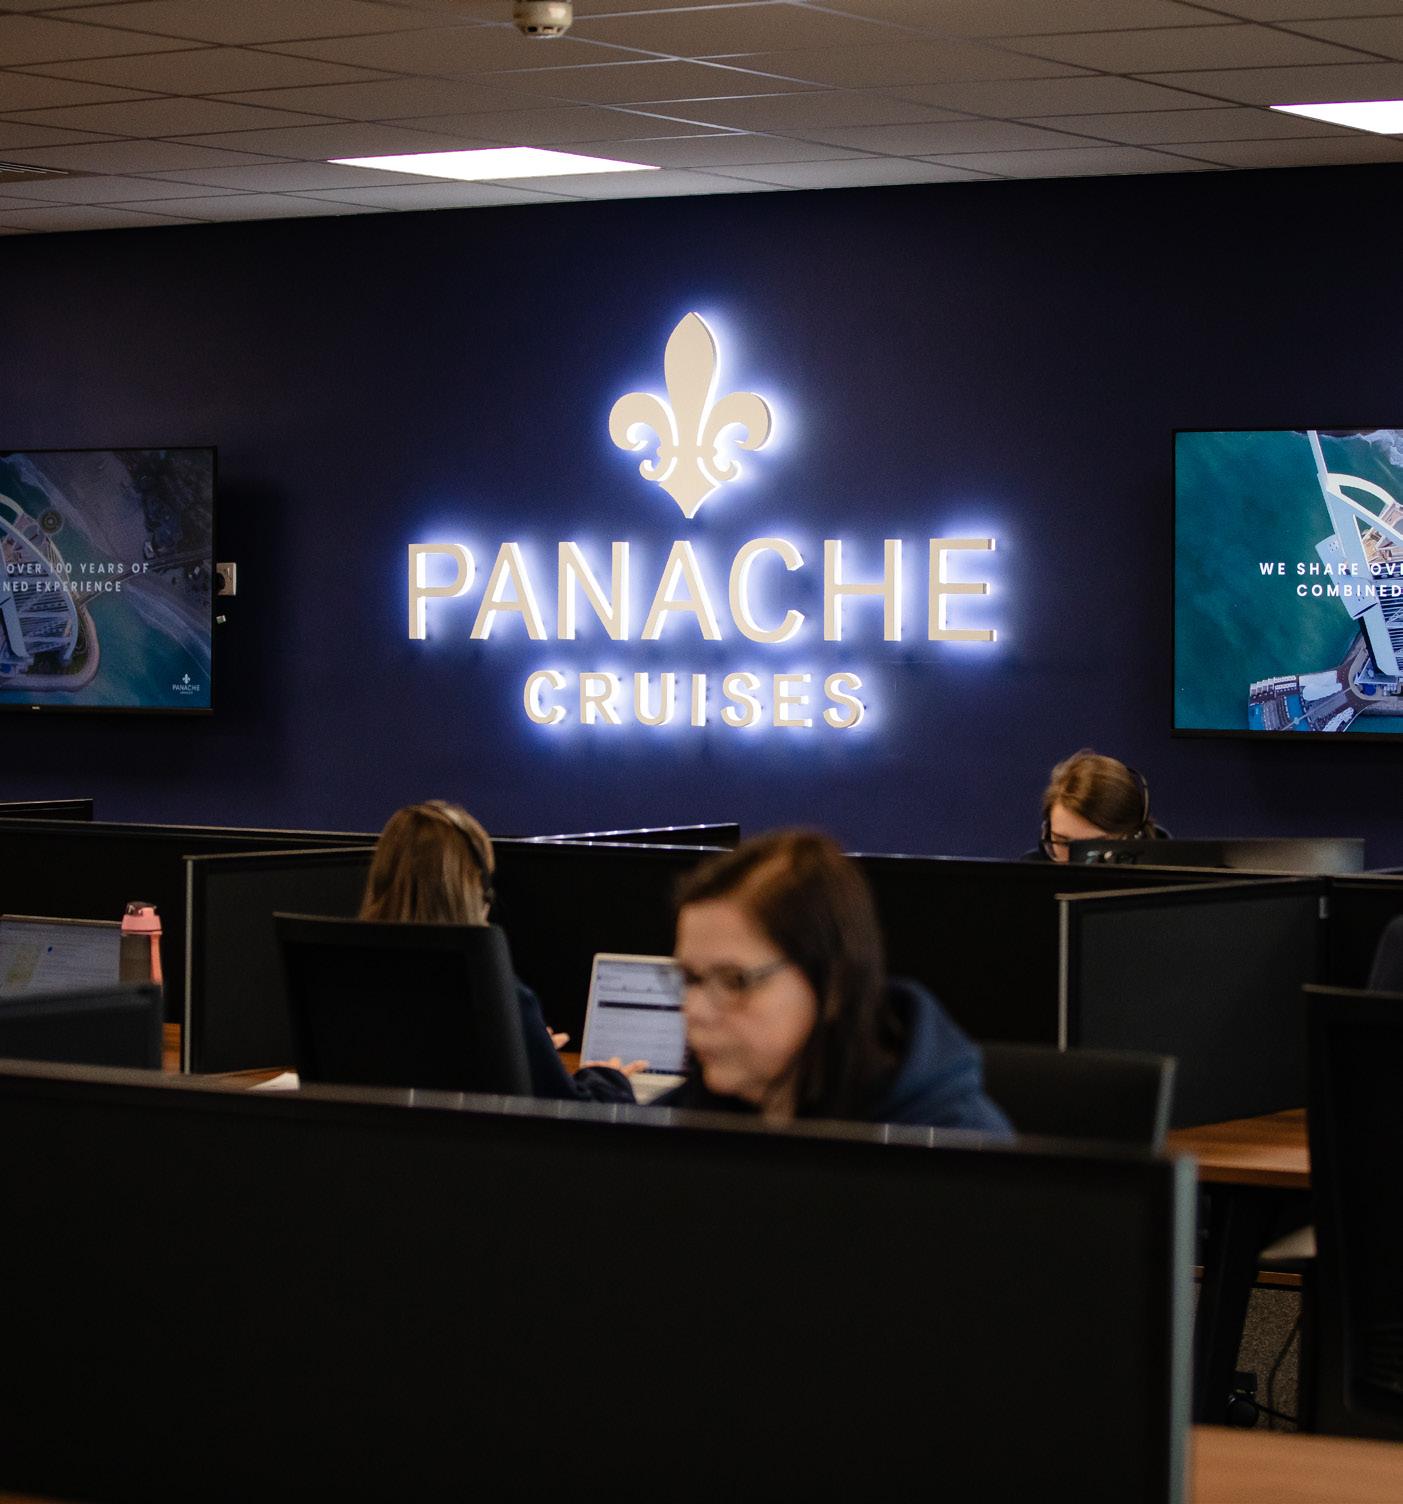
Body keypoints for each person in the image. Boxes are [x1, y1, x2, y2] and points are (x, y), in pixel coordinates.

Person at [655, 830, 1012, 1134]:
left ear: (833, 986)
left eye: (734, 981)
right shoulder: (675, 1125)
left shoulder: (958, 1149)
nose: (694, 1010)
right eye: (689, 978)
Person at [359, 800, 638, 1103]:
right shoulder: (497, 996)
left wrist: (525, 1049)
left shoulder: (344, 979)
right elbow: (572, 1114)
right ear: (478, 893)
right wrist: (608, 1077)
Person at [1029, 749, 1164, 862]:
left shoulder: (1169, 877)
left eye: (1093, 846)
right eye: (1062, 842)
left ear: (1133, 837)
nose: (1074, 861)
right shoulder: (1026, 877)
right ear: (1047, 832)